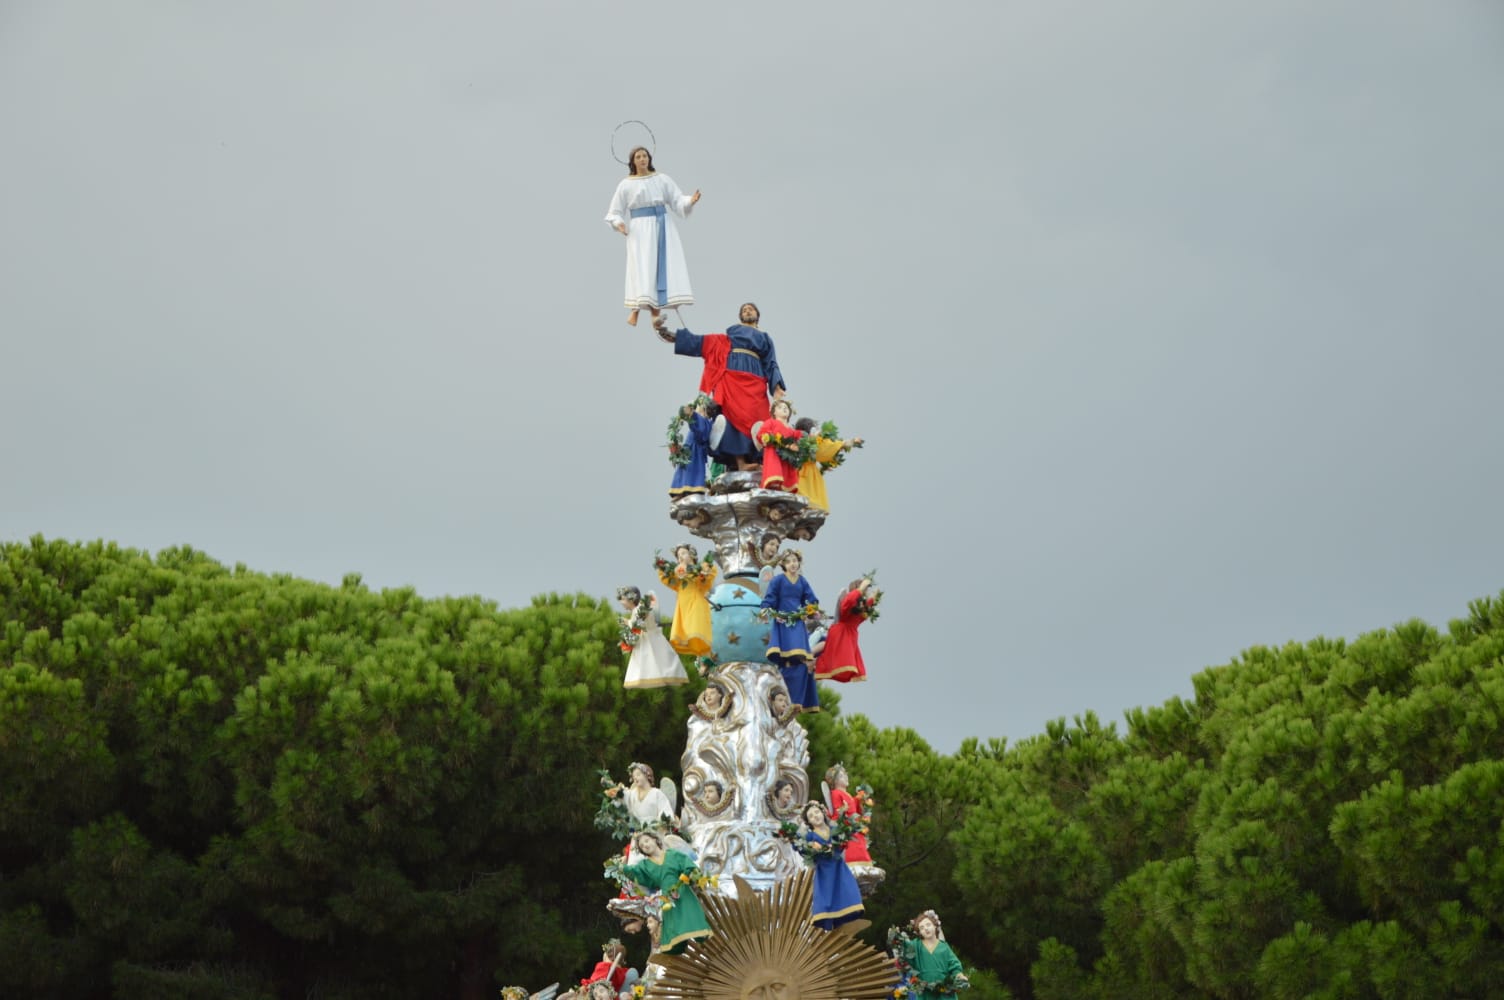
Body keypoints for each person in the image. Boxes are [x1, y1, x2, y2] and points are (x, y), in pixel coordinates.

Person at [659, 303, 785, 470]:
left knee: (760, 418)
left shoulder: (765, 338)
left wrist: (776, 385)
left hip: (755, 381)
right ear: (740, 317)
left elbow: (771, 363)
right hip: (731, 380)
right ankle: (740, 463)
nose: (747, 310)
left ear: (757, 315)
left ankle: (760, 461)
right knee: (731, 419)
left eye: (751, 309)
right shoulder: (727, 339)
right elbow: (701, 342)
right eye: (744, 309)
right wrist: (675, 337)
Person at [605, 146, 700, 326]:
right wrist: (619, 224)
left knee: (661, 265)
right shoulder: (626, 184)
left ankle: (656, 313)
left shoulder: (662, 179)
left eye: (645, 156)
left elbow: (677, 199)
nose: (642, 159)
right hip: (640, 230)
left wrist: (690, 201)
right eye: (638, 156)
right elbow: (614, 212)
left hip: (662, 225)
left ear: (649, 158)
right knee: (642, 267)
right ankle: (636, 309)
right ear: (632, 161)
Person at [620, 831, 714, 954]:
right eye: (642, 846)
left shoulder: (673, 854)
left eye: (647, 841)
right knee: (673, 927)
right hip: (667, 898)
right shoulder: (645, 865)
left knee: (691, 919)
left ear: (655, 840)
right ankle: (677, 953)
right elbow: (634, 872)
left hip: (683, 891)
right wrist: (622, 866)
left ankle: (709, 948)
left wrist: (685, 876)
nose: (646, 846)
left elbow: (689, 866)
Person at [760, 551, 820, 711]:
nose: (793, 564)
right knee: (786, 647)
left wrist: (812, 609)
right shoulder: (778, 580)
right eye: (789, 562)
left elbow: (810, 599)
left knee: (798, 650)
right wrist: (767, 609)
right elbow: (770, 597)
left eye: (795, 561)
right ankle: (787, 662)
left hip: (798, 620)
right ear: (783, 565)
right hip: (783, 619)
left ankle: (797, 663)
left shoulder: (802, 581)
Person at [801, 802, 864, 931]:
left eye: (817, 812)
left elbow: (843, 840)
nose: (815, 816)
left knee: (846, 892)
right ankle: (831, 925)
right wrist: (814, 848)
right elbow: (802, 848)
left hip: (839, 869)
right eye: (811, 816)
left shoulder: (834, 829)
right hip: (825, 873)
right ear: (809, 822)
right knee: (828, 899)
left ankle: (843, 919)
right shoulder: (810, 836)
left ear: (823, 813)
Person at [618, 587, 689, 690]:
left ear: (631, 599)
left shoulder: (640, 609)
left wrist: (626, 622)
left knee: (652, 659)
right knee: (653, 660)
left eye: (623, 599)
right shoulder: (638, 609)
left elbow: (636, 624)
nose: (622, 602)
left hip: (649, 637)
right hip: (650, 637)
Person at [792, 417, 863, 513]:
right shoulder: (812, 441)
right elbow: (825, 449)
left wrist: (825, 464)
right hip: (806, 473)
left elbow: (823, 451)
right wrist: (845, 443)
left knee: (804, 498)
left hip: (801, 472)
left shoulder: (800, 441)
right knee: (808, 497)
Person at [814, 578, 876, 684]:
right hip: (841, 634)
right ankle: (811, 660)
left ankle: (812, 664)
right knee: (840, 660)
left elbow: (862, 613)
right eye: (866, 591)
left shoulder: (859, 608)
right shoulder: (848, 602)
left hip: (850, 636)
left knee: (834, 660)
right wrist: (861, 589)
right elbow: (849, 602)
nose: (866, 593)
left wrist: (873, 599)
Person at [658, 544, 716, 656]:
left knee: (695, 627)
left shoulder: (702, 569)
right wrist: (661, 566)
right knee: (686, 629)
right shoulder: (677, 572)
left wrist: (697, 572)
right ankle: (701, 657)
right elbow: (669, 580)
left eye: (683, 553)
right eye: (678, 555)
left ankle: (705, 655)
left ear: (692, 554)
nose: (680, 557)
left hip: (696, 602)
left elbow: (705, 582)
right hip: (683, 604)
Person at [900, 911, 968, 1000]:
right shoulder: (916, 946)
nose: (926, 929)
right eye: (922, 928)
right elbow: (906, 954)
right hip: (924, 993)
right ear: (919, 932)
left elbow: (955, 966)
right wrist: (897, 938)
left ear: (935, 926)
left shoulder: (944, 947)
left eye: (928, 925)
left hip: (944, 992)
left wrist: (960, 976)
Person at [824, 764, 872, 864]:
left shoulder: (847, 794)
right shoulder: (836, 793)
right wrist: (843, 811)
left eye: (845, 774)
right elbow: (837, 814)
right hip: (847, 831)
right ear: (835, 781)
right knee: (854, 856)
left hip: (854, 828)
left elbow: (853, 808)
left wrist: (859, 799)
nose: (846, 777)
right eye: (842, 776)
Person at [756, 398, 805, 492]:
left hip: (788, 457)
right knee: (775, 471)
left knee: (787, 474)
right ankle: (774, 484)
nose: (784, 408)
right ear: (774, 412)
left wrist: (805, 440)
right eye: (780, 407)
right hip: (774, 453)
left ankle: (785, 487)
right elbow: (762, 432)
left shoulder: (791, 430)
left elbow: (799, 436)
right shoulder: (771, 422)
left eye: (786, 407)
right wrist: (766, 437)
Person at [668, 399, 712, 499]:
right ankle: (680, 494)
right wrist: (679, 450)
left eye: (698, 408)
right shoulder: (700, 423)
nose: (696, 410)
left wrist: (692, 414)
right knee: (682, 479)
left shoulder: (705, 423)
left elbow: (699, 428)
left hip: (694, 459)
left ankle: (687, 493)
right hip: (688, 458)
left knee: (691, 482)